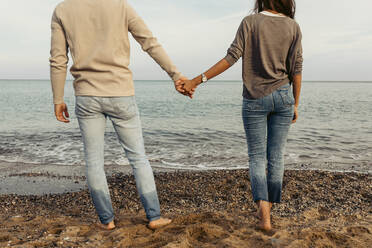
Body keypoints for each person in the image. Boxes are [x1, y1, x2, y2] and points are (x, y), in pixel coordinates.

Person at [49, 0, 189, 230]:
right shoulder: (120, 5)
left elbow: (58, 59)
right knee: (138, 158)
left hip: (87, 95)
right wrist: (176, 75)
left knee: (94, 162)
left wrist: (58, 99)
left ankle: (107, 221)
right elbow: (149, 43)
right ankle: (154, 217)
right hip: (120, 93)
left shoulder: (63, 10)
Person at [182, 0, 303, 231]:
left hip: (255, 99)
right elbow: (296, 67)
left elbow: (231, 57)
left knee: (257, 157)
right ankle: (269, 209)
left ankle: (264, 214)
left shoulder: (250, 22)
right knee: (276, 155)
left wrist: (196, 81)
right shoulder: (292, 26)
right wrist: (295, 103)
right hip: (283, 97)